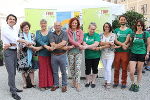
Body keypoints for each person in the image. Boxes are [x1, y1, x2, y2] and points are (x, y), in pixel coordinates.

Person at [1, 14, 29, 100]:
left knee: (14, 72)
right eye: (10, 19)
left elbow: (15, 41)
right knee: (11, 72)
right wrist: (23, 40)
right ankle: (13, 92)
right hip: (8, 52)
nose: (12, 20)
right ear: (7, 20)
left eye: (14, 19)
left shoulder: (14, 29)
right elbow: (14, 39)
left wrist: (10, 44)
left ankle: (13, 87)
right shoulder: (5, 28)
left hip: (13, 51)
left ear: (15, 21)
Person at [17, 21, 40, 89]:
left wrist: (29, 43)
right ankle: (24, 83)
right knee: (23, 70)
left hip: (32, 54)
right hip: (22, 55)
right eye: (24, 27)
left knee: (32, 69)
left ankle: (32, 82)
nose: (26, 28)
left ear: (29, 27)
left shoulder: (32, 34)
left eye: (27, 27)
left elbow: (34, 42)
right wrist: (27, 44)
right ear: (22, 29)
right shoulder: (19, 35)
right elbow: (19, 44)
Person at [129, 20, 150, 92]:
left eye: (141, 25)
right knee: (131, 71)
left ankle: (137, 84)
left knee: (139, 71)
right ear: (136, 26)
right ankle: (133, 83)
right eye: (138, 25)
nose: (140, 27)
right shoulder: (133, 34)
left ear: (143, 26)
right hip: (133, 53)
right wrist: (123, 46)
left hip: (142, 53)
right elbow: (130, 43)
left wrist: (147, 53)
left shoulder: (146, 33)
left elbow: (148, 44)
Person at [113, 15, 133, 89]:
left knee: (124, 68)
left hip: (125, 52)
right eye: (121, 19)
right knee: (116, 68)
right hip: (117, 52)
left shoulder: (129, 30)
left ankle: (124, 82)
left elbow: (130, 41)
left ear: (126, 21)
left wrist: (126, 46)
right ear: (119, 21)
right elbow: (115, 40)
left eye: (124, 19)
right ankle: (116, 82)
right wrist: (123, 45)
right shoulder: (116, 30)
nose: (122, 21)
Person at [100, 22, 121, 89]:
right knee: (105, 68)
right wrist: (108, 43)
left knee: (108, 68)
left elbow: (116, 42)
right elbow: (100, 43)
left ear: (110, 28)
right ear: (103, 27)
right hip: (103, 54)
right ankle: (105, 81)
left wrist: (121, 45)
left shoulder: (113, 35)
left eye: (108, 27)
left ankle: (108, 82)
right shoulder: (101, 35)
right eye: (105, 26)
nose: (107, 28)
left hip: (111, 54)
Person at [49, 22, 68, 92]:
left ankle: (64, 85)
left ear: (61, 26)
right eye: (56, 25)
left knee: (63, 71)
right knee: (55, 72)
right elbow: (52, 44)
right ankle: (56, 84)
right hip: (54, 55)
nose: (57, 27)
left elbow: (64, 43)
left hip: (62, 55)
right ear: (54, 26)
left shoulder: (65, 33)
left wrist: (54, 47)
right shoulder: (51, 34)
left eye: (58, 25)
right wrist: (62, 46)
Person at [35, 19, 53, 91]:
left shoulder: (50, 33)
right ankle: (42, 85)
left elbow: (49, 41)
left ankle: (49, 84)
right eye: (42, 23)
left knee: (49, 68)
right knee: (42, 69)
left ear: (46, 24)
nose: (43, 25)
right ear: (40, 24)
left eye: (44, 23)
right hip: (41, 54)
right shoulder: (38, 32)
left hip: (49, 53)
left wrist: (40, 47)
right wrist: (45, 46)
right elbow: (39, 40)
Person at [67, 17, 84, 91]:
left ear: (78, 24)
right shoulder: (67, 31)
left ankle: (78, 83)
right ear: (71, 23)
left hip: (78, 52)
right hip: (70, 52)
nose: (74, 24)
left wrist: (77, 44)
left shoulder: (80, 31)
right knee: (72, 68)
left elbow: (81, 39)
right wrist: (77, 44)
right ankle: (73, 81)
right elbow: (70, 40)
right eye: (73, 23)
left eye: (76, 23)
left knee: (77, 68)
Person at [83, 22, 100, 88]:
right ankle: (88, 81)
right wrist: (91, 47)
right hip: (87, 56)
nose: (92, 30)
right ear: (88, 28)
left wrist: (87, 47)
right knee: (87, 69)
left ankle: (93, 81)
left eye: (94, 29)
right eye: (91, 29)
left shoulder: (97, 35)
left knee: (95, 68)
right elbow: (84, 43)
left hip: (96, 56)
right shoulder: (85, 35)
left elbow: (96, 44)